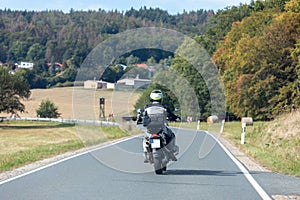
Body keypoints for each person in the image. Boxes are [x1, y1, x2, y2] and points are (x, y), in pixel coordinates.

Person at [142, 89, 178, 163]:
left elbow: (142, 117)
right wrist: (176, 118)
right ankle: (171, 151)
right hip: (161, 127)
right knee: (172, 136)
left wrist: (139, 120)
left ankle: (146, 154)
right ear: (161, 98)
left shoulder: (147, 107)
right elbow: (171, 115)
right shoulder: (164, 107)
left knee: (145, 139)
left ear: (151, 98)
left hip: (150, 129)